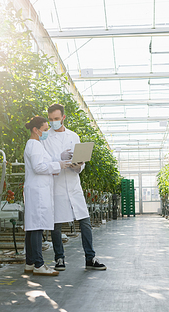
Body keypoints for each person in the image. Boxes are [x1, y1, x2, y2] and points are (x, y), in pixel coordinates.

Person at [42, 103, 106, 271]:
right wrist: (59, 158)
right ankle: (59, 259)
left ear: (63, 117)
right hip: (56, 185)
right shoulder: (45, 137)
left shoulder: (73, 136)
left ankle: (90, 258)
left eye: (56, 119)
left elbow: (80, 159)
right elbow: (45, 162)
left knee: (85, 221)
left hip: (73, 183)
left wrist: (78, 166)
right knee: (56, 224)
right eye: (51, 120)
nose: (53, 122)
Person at [23, 116, 71, 276]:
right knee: (36, 226)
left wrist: (60, 160)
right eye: (44, 130)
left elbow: (46, 162)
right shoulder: (35, 145)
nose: (46, 133)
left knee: (32, 227)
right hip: (38, 191)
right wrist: (58, 165)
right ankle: (39, 264)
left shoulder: (36, 144)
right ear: (36, 130)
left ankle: (30, 262)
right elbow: (38, 167)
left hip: (37, 190)